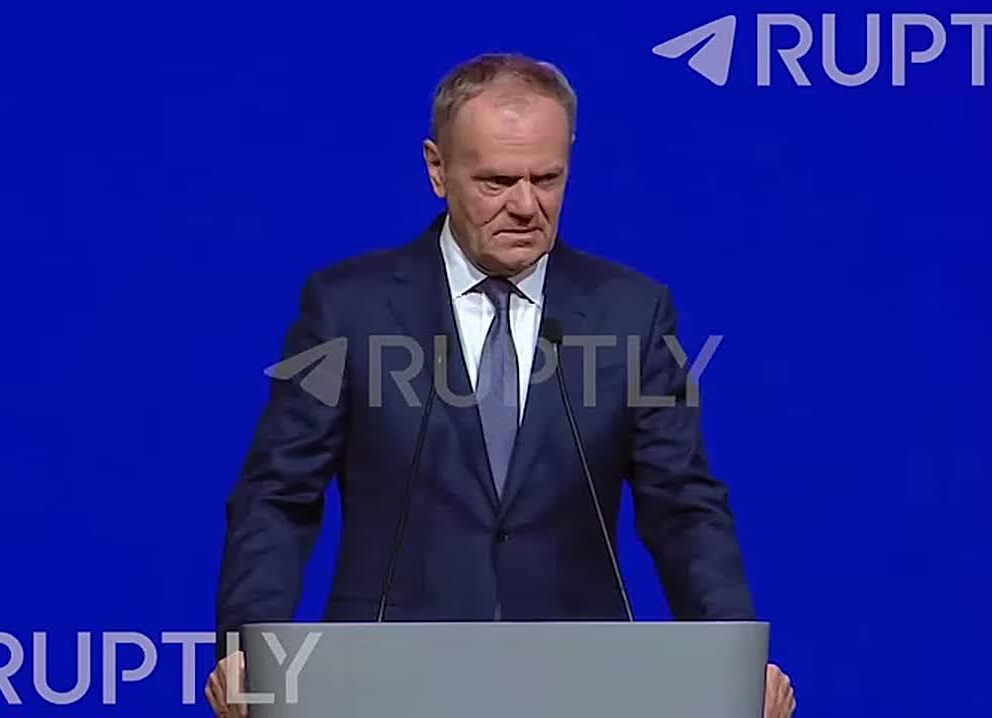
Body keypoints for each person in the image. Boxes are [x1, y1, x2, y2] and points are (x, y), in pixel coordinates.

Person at [206, 52, 795, 718]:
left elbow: (682, 504)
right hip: (385, 682)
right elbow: (278, 495)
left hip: (581, 685)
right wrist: (247, 646)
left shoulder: (632, 314)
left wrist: (732, 659)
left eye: (547, 179)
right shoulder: (349, 308)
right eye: (496, 181)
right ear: (437, 169)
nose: (525, 205)